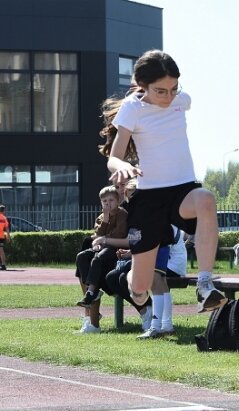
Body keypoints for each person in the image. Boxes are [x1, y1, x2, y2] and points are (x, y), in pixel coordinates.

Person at [100, 49, 225, 313]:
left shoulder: (182, 100)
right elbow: (114, 157)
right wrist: (123, 166)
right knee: (141, 287)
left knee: (206, 199)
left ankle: (205, 286)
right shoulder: (132, 109)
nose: (169, 97)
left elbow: (178, 98)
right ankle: (131, 283)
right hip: (149, 198)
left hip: (182, 190)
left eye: (173, 89)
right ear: (142, 86)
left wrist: (174, 93)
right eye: (160, 91)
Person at [76, 185, 129, 309]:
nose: (108, 204)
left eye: (111, 200)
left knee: (97, 258)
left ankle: (92, 291)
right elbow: (97, 234)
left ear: (117, 201)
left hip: (115, 248)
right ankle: (91, 289)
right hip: (103, 247)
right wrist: (105, 219)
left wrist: (104, 239)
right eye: (104, 201)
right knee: (82, 256)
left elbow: (120, 233)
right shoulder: (101, 217)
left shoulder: (122, 214)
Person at [138, 225, 188, 339]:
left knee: (156, 283)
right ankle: (166, 326)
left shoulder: (164, 221)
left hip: (172, 264)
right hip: (173, 263)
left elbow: (156, 246)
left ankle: (155, 328)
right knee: (162, 286)